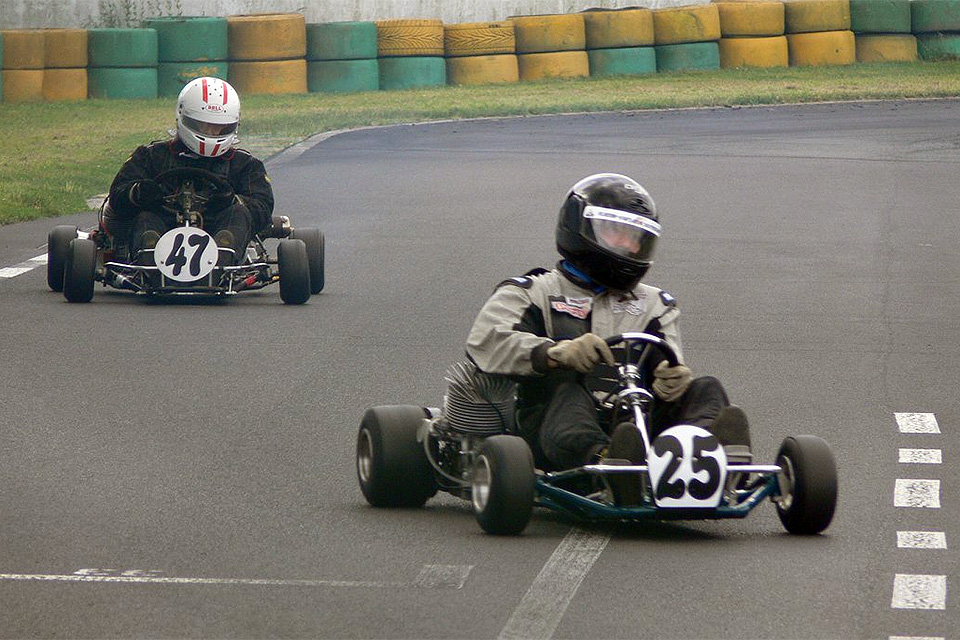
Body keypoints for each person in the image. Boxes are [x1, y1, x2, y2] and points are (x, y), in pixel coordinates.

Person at [465, 173, 751, 487]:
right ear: (579, 228)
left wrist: (672, 379)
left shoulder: (657, 304)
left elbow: (668, 366)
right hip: (551, 424)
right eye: (617, 233)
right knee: (569, 388)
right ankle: (605, 460)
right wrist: (556, 352)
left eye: (637, 238)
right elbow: (485, 343)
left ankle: (710, 454)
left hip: (634, 422)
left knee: (707, 388)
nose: (629, 246)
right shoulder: (532, 292)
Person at [101, 77, 280, 267]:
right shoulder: (151, 156)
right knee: (145, 216)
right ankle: (149, 261)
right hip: (163, 222)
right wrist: (138, 193)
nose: (212, 132)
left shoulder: (244, 164)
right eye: (204, 125)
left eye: (220, 127)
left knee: (238, 213)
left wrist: (232, 200)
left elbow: (263, 207)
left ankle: (222, 260)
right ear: (183, 118)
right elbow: (116, 199)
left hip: (217, 225)